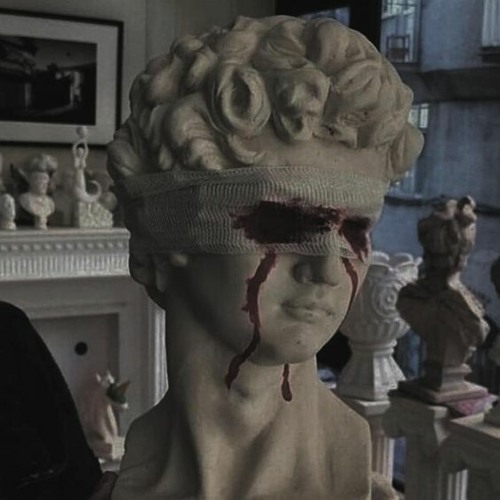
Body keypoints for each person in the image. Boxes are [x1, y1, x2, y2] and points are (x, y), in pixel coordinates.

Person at [106, 15, 423, 499]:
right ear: (165, 245)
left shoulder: (347, 474)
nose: (328, 270)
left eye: (355, 230)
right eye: (281, 224)